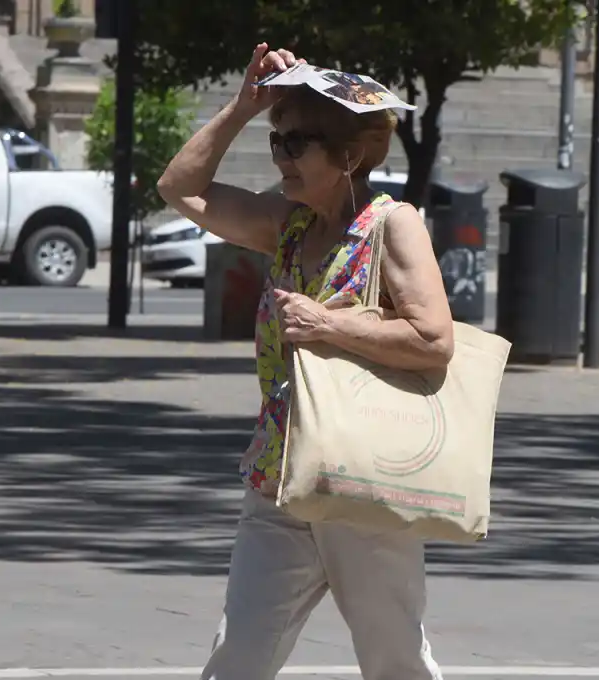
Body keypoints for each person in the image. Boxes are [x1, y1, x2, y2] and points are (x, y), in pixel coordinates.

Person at [157, 43, 455, 680]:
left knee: (394, 658)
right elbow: (179, 188)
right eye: (277, 143)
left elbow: (435, 339)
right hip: (280, 474)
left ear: (348, 154)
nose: (282, 157)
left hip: (362, 479)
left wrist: (329, 324)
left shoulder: (391, 226)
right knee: (236, 656)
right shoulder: (286, 223)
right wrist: (245, 108)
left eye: (297, 144)